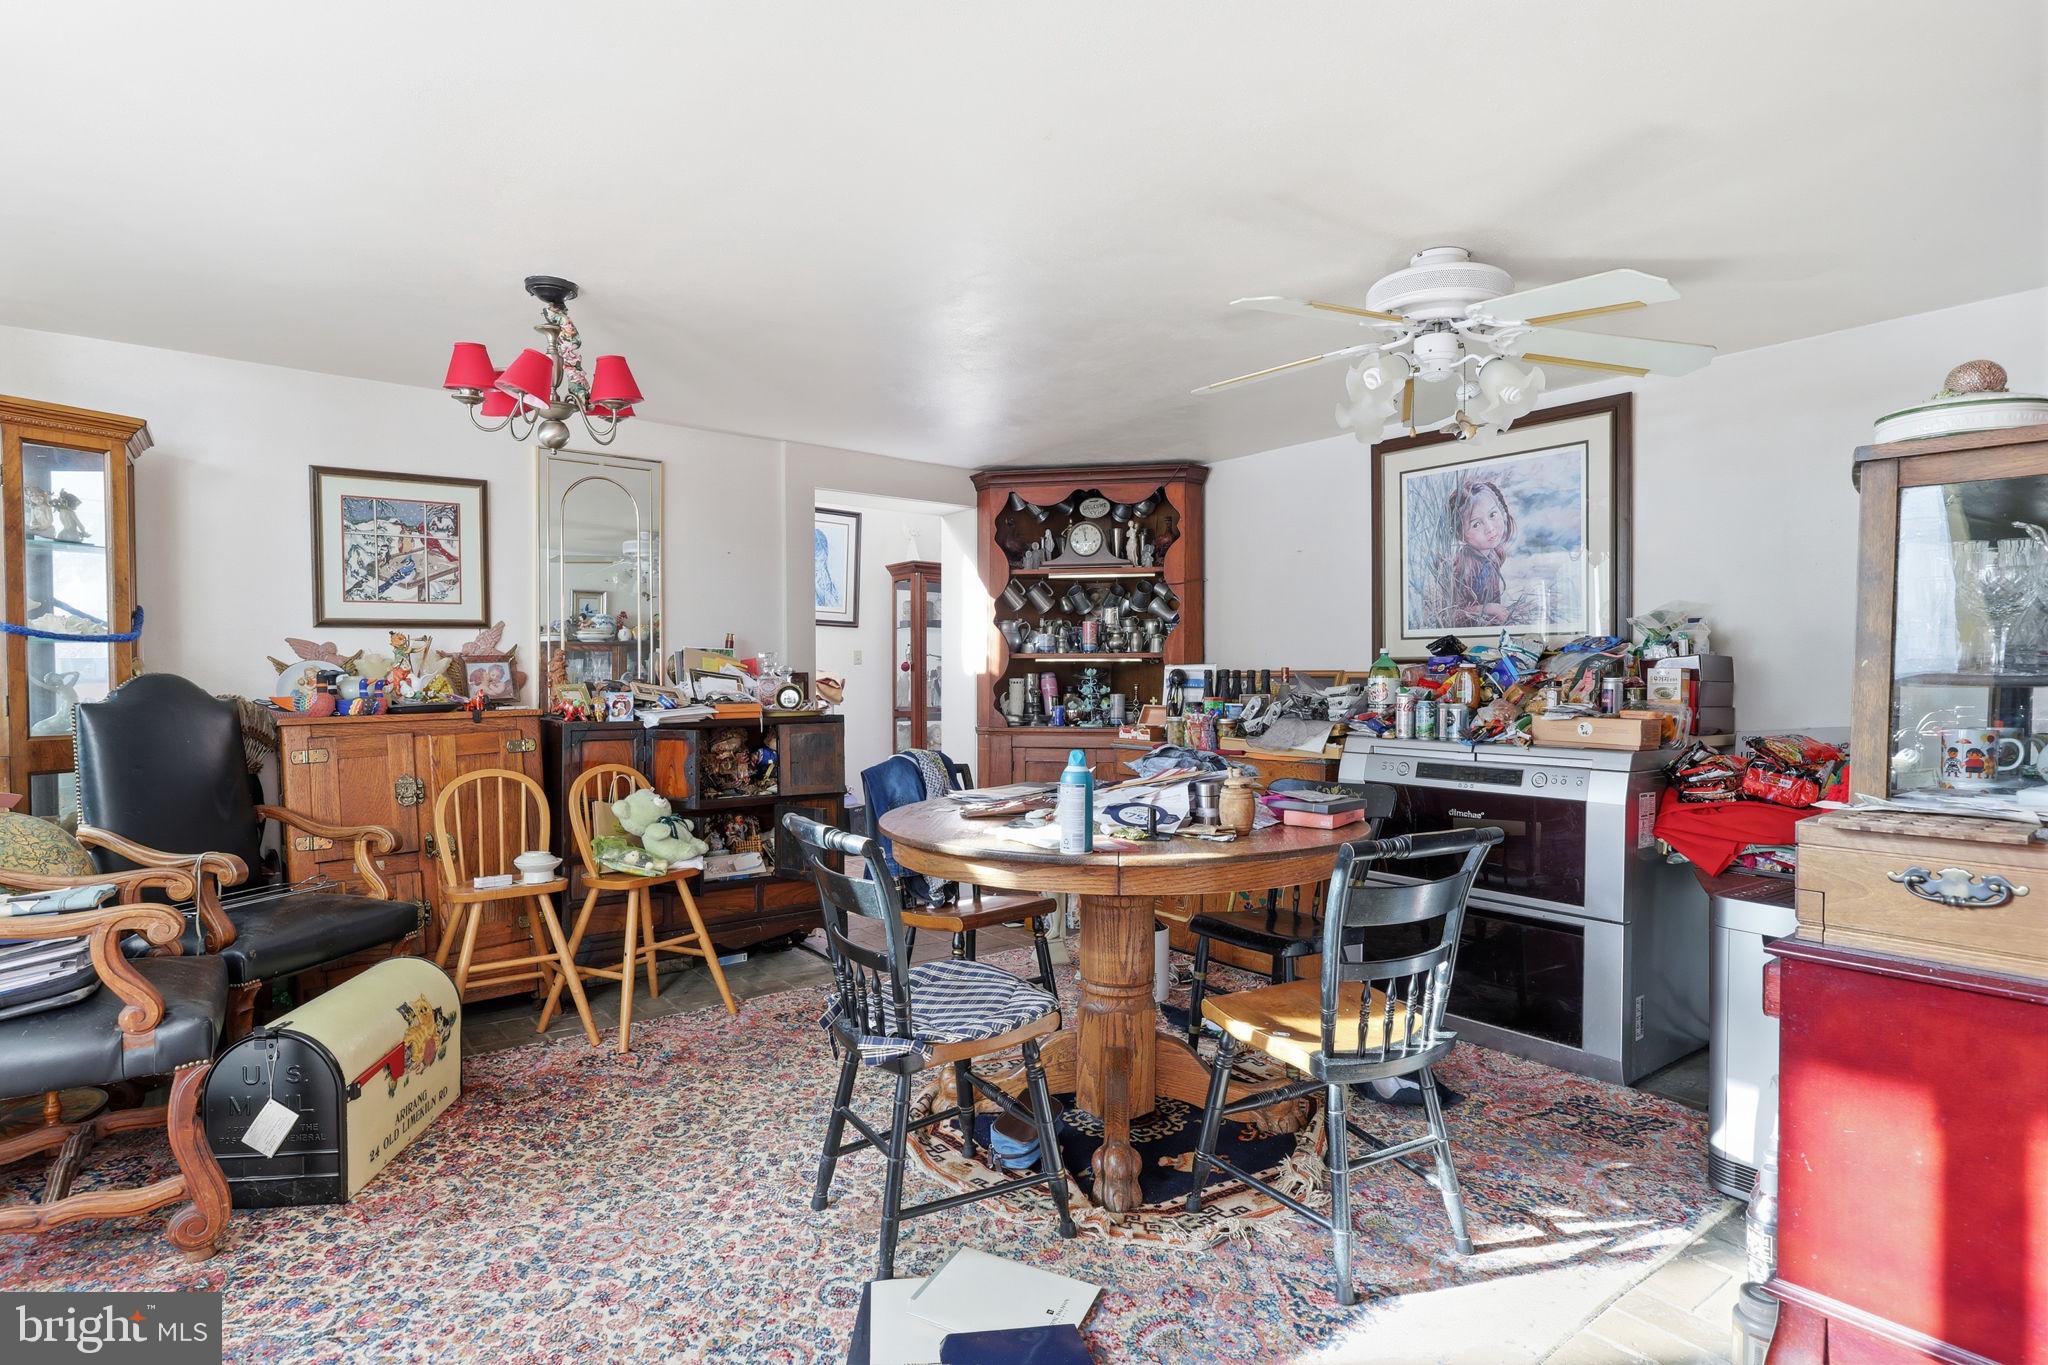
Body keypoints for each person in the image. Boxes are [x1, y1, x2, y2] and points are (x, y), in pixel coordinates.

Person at [1446, 476, 1516, 628]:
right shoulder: (1465, 566)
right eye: (1476, 524)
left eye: (1492, 515)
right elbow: (1453, 614)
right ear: (1460, 534)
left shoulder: (1496, 554)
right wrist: (1489, 609)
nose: (1490, 529)